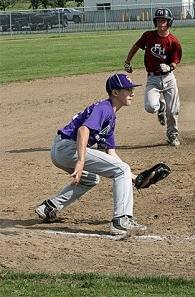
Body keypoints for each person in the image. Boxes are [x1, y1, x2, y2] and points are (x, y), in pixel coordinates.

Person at [35, 73, 147, 236]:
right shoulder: (105, 108)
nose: (133, 93)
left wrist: (134, 177)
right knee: (121, 170)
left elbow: (110, 152)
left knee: (92, 178)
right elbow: (83, 130)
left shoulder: (111, 116)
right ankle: (121, 220)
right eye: (128, 89)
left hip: (60, 150)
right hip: (68, 147)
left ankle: (49, 207)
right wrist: (81, 161)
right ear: (115, 92)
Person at [124, 8, 182, 147]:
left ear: (169, 22)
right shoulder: (148, 36)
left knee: (173, 110)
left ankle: (172, 135)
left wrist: (170, 67)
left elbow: (176, 60)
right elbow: (136, 46)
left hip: (168, 78)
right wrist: (128, 61)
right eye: (158, 20)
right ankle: (160, 105)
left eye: (163, 20)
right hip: (152, 79)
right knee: (150, 107)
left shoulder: (173, 41)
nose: (160, 23)